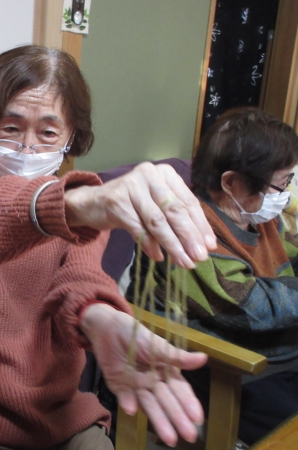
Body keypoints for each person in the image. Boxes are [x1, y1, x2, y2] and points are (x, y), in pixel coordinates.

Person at [0, 44, 215, 450]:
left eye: (47, 133)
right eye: (11, 128)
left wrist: (102, 318)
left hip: (57, 422)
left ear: (70, 137)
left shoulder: (78, 218)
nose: (27, 148)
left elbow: (80, 282)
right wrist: (73, 204)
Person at [127, 106, 298, 445]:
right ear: (231, 182)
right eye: (281, 184)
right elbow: (256, 310)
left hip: (277, 355)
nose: (286, 194)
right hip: (223, 370)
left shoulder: (257, 215)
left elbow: (290, 258)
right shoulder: (185, 230)